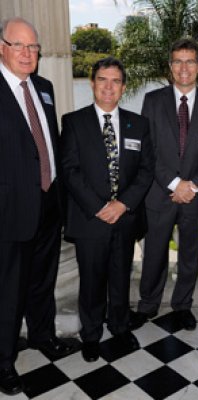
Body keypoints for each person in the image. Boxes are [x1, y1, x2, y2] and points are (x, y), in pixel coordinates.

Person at [0, 17, 76, 395]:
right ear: (2, 47)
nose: (27, 54)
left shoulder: (43, 87)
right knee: (8, 290)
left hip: (48, 203)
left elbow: (51, 142)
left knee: (42, 280)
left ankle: (43, 336)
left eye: (33, 47)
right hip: (10, 211)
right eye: (19, 46)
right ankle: (3, 362)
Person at [61, 57, 154, 362]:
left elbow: (145, 171)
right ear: (92, 83)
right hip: (91, 219)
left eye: (116, 81)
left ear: (124, 87)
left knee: (120, 276)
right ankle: (91, 335)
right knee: (91, 281)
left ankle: (120, 326)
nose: (109, 87)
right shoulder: (73, 122)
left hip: (125, 218)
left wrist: (123, 204)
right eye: (103, 80)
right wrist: (100, 207)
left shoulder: (137, 124)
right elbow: (70, 170)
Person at [130, 38, 198, 331]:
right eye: (178, 61)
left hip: (194, 198)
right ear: (170, 67)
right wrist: (173, 184)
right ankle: (148, 305)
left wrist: (191, 186)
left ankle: (183, 305)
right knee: (154, 252)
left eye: (190, 61)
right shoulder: (153, 101)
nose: (184, 68)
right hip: (160, 195)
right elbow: (149, 151)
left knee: (190, 255)